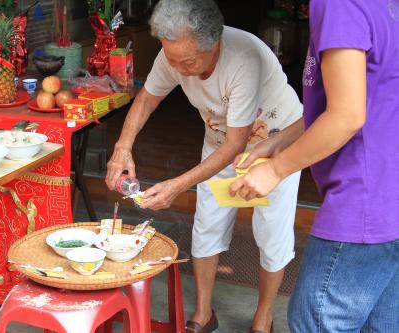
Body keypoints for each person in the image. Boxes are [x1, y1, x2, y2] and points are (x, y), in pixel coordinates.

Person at [105, 0, 303, 332]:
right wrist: (122, 147)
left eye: (187, 61)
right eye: (171, 59)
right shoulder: (174, 50)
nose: (178, 69)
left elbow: (237, 144)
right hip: (220, 143)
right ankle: (203, 314)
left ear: (214, 46)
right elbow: (147, 98)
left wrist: (177, 186)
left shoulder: (243, 59)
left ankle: (263, 318)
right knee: (207, 225)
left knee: (271, 234)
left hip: (276, 143)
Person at [230, 0, 399, 331]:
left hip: (362, 203)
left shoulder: (339, 4)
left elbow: (347, 115)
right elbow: (363, 95)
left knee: (316, 322)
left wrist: (276, 169)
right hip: (390, 198)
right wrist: (278, 141)